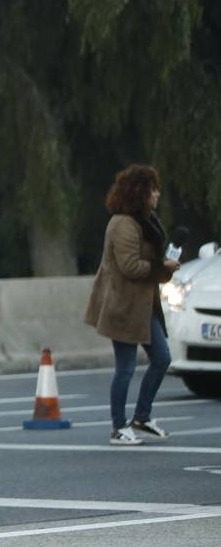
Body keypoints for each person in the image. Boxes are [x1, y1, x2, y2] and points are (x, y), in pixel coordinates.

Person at [85, 163, 180, 445]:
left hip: (143, 305)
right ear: (140, 192)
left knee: (162, 358)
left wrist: (164, 268)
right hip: (122, 306)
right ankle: (118, 426)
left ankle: (142, 416)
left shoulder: (145, 220)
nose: (157, 194)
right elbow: (130, 266)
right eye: (152, 189)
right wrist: (162, 266)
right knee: (125, 368)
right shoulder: (122, 224)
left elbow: (147, 264)